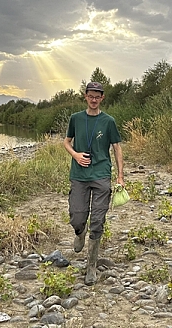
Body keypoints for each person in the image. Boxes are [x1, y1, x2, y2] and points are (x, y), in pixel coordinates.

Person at [63, 81, 124, 285]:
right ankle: (79, 233)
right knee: (77, 217)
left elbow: (117, 147)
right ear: (85, 96)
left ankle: (91, 266)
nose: (94, 99)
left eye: (98, 96)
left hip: (101, 174)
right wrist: (76, 155)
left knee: (97, 221)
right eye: (91, 95)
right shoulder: (76, 119)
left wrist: (120, 176)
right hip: (79, 175)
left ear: (102, 98)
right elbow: (66, 141)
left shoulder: (109, 121)